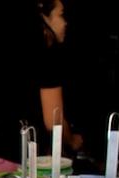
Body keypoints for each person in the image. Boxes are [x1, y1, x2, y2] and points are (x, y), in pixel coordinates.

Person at [36, 0, 83, 152]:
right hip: (32, 158)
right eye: (61, 15)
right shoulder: (47, 60)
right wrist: (72, 140)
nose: (65, 23)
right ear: (44, 18)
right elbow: (53, 121)